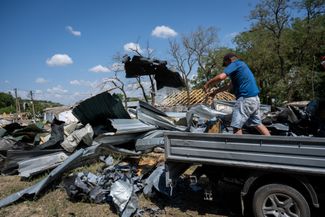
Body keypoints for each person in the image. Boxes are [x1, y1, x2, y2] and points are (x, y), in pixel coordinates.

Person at [204, 53, 270, 136]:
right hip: (254, 100)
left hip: (245, 99)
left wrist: (208, 84)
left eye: (226, 64)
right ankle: (273, 145)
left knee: (236, 127)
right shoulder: (242, 67)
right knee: (257, 124)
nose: (226, 67)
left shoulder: (235, 64)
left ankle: (238, 148)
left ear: (229, 60)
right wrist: (214, 92)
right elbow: (229, 86)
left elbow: (221, 77)